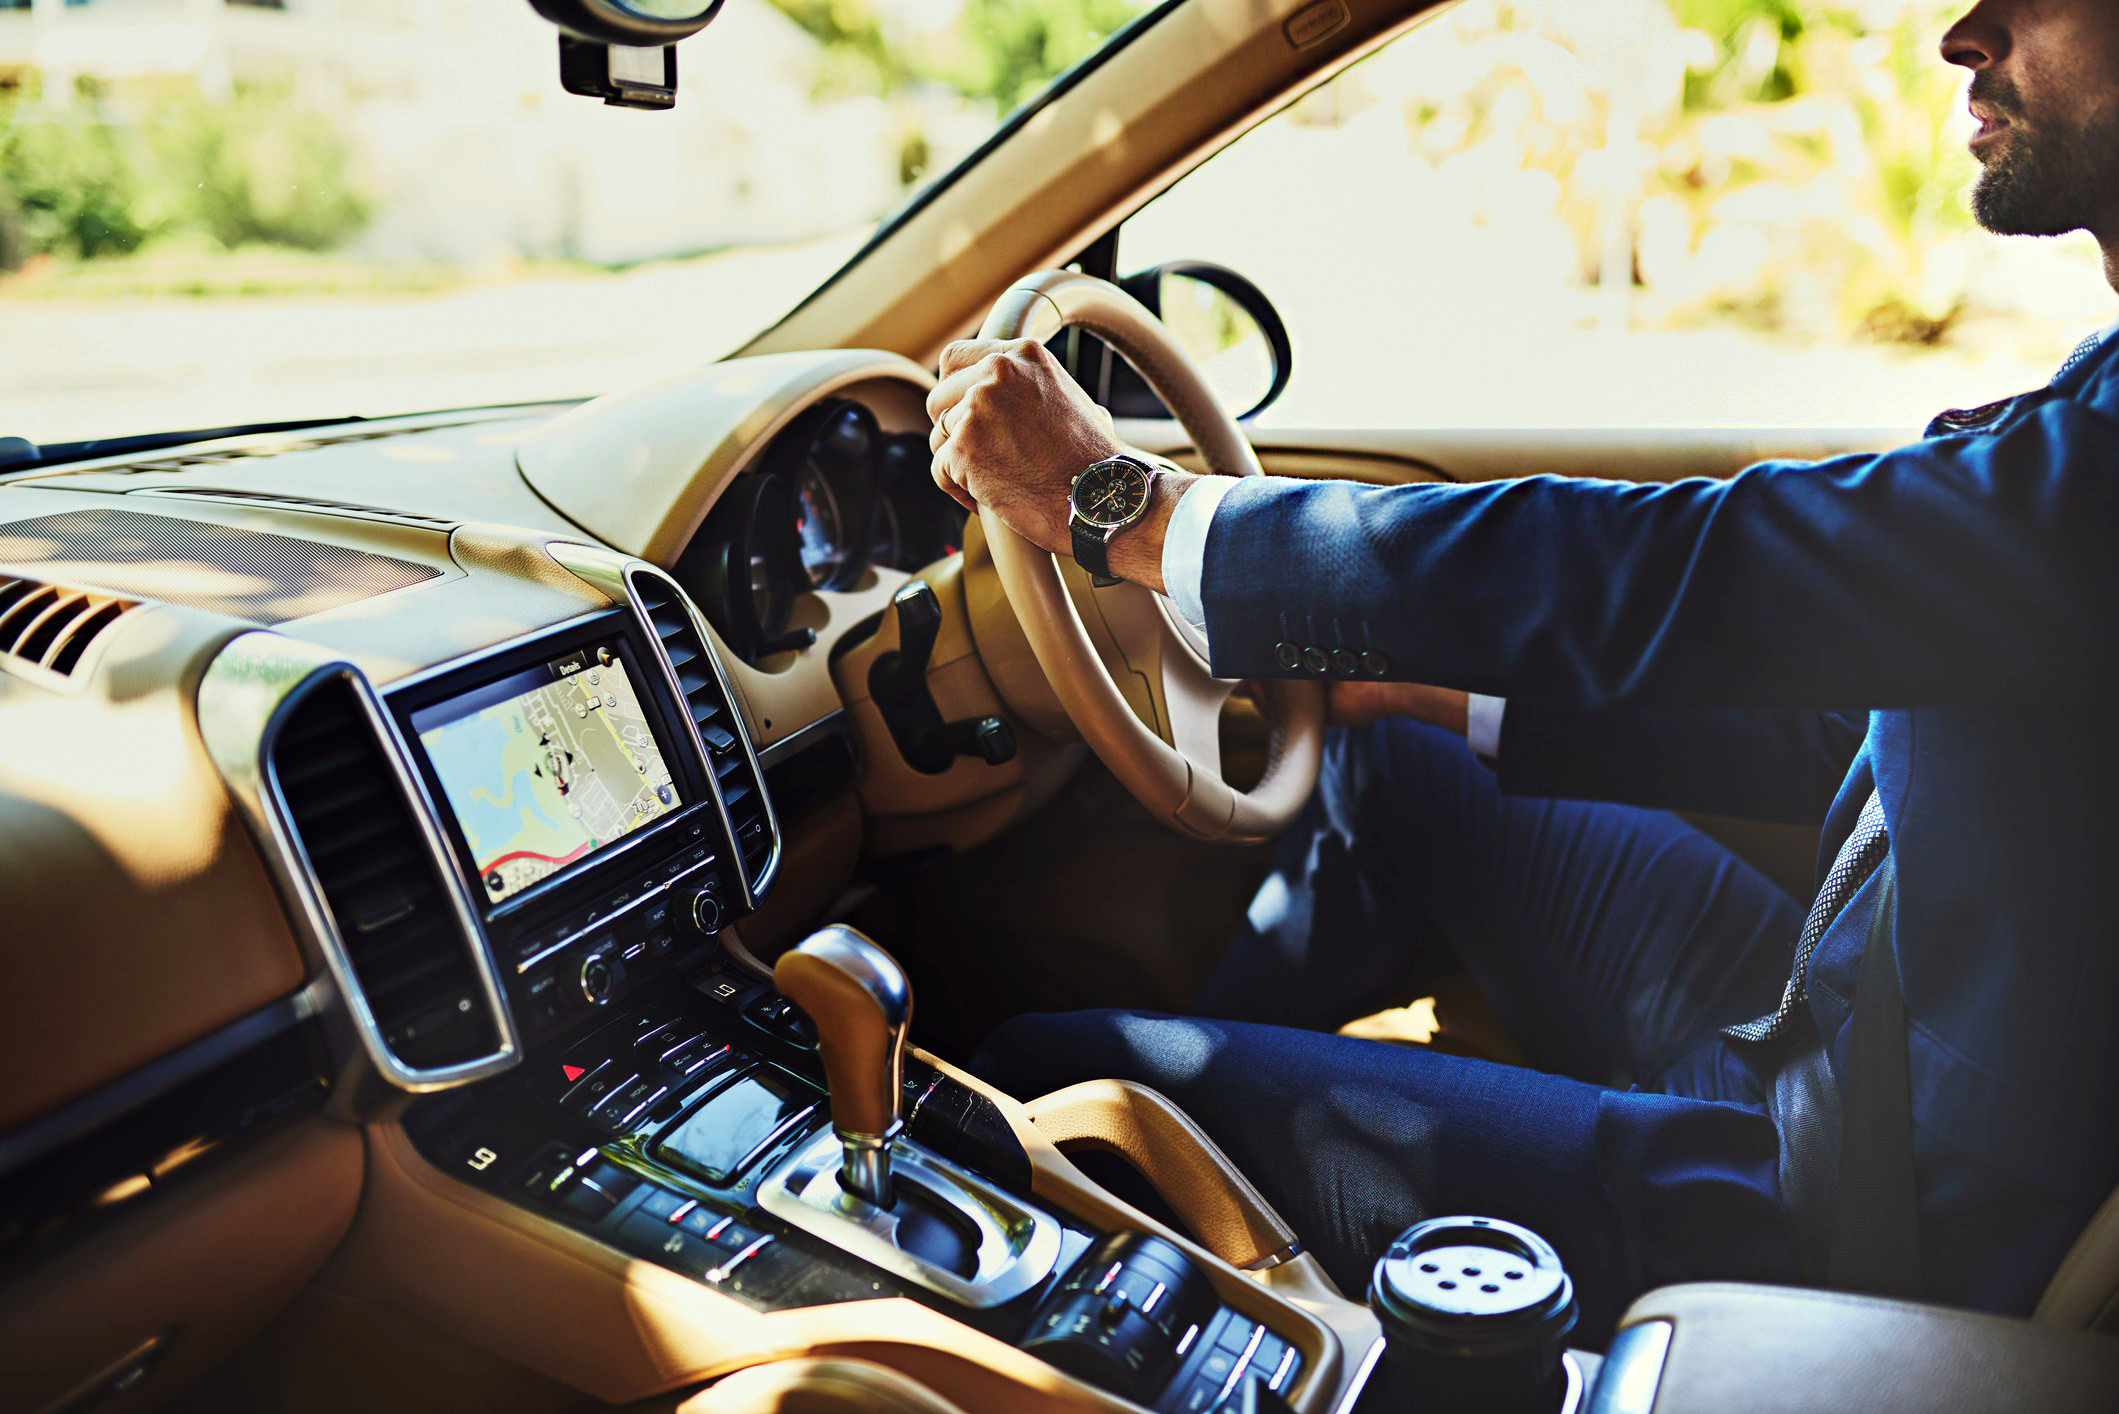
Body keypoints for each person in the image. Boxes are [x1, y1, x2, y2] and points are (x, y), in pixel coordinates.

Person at [925, 0, 2119, 1338]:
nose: (1964, 31)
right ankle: (1253, 1237)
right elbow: (1847, 713)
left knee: (1053, 1093)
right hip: (1861, 1008)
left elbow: (1698, 569)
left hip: (1867, 1197)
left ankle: (1209, 1247)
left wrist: (1128, 513)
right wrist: (1445, 691)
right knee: (1390, 757)